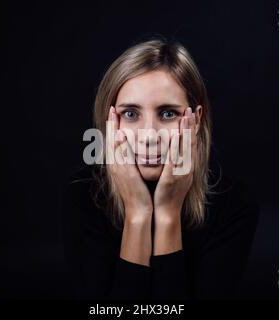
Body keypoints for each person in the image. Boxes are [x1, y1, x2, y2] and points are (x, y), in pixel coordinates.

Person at [61, 37, 259, 299]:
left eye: (168, 113)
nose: (149, 136)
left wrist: (167, 214)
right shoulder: (82, 195)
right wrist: (138, 214)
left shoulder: (234, 203)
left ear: (195, 119)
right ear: (111, 121)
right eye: (130, 114)